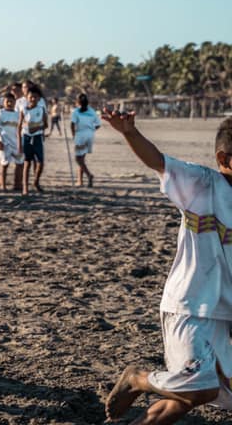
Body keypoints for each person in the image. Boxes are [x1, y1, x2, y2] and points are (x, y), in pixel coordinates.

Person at [103, 113, 232, 424]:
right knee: (199, 387)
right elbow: (159, 162)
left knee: (186, 398)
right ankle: (137, 379)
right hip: (189, 306)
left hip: (223, 313)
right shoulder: (202, 183)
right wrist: (130, 132)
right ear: (224, 159)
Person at [17, 85, 49, 194]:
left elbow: (46, 125)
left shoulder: (41, 109)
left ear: (39, 98)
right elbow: (19, 126)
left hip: (37, 137)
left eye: (35, 97)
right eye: (31, 97)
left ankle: (36, 181)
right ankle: (25, 188)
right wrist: (19, 143)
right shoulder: (24, 110)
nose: (33, 99)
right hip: (26, 137)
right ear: (27, 98)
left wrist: (37, 128)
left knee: (40, 162)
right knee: (27, 163)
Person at [0, 92, 23, 191]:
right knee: (5, 164)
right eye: (7, 101)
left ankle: (17, 184)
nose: (9, 103)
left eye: (12, 101)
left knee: (19, 163)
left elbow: (20, 129)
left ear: (15, 102)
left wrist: (20, 143)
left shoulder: (18, 114)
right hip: (5, 143)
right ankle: (3, 185)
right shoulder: (0, 113)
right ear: (3, 102)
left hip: (16, 143)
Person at [70, 93, 101, 187]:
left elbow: (72, 125)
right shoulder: (92, 111)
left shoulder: (76, 111)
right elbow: (98, 125)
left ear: (77, 102)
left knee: (78, 159)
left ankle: (89, 175)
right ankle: (80, 181)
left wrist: (74, 135)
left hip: (80, 136)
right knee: (82, 159)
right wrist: (91, 130)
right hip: (89, 136)